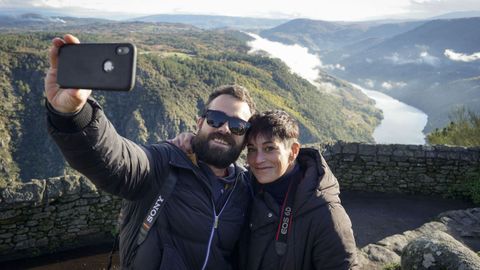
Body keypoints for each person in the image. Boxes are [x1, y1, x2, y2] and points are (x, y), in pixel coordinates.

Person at [45, 34, 256, 269]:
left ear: (246, 138)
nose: (225, 128)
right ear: (199, 123)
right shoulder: (163, 165)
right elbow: (114, 158)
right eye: (216, 119)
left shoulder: (246, 188)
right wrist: (74, 114)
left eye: (237, 126)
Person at [171, 110, 358, 269]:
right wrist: (193, 145)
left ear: (293, 151)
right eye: (252, 149)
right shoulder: (244, 187)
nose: (257, 160)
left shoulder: (325, 214)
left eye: (269, 149)